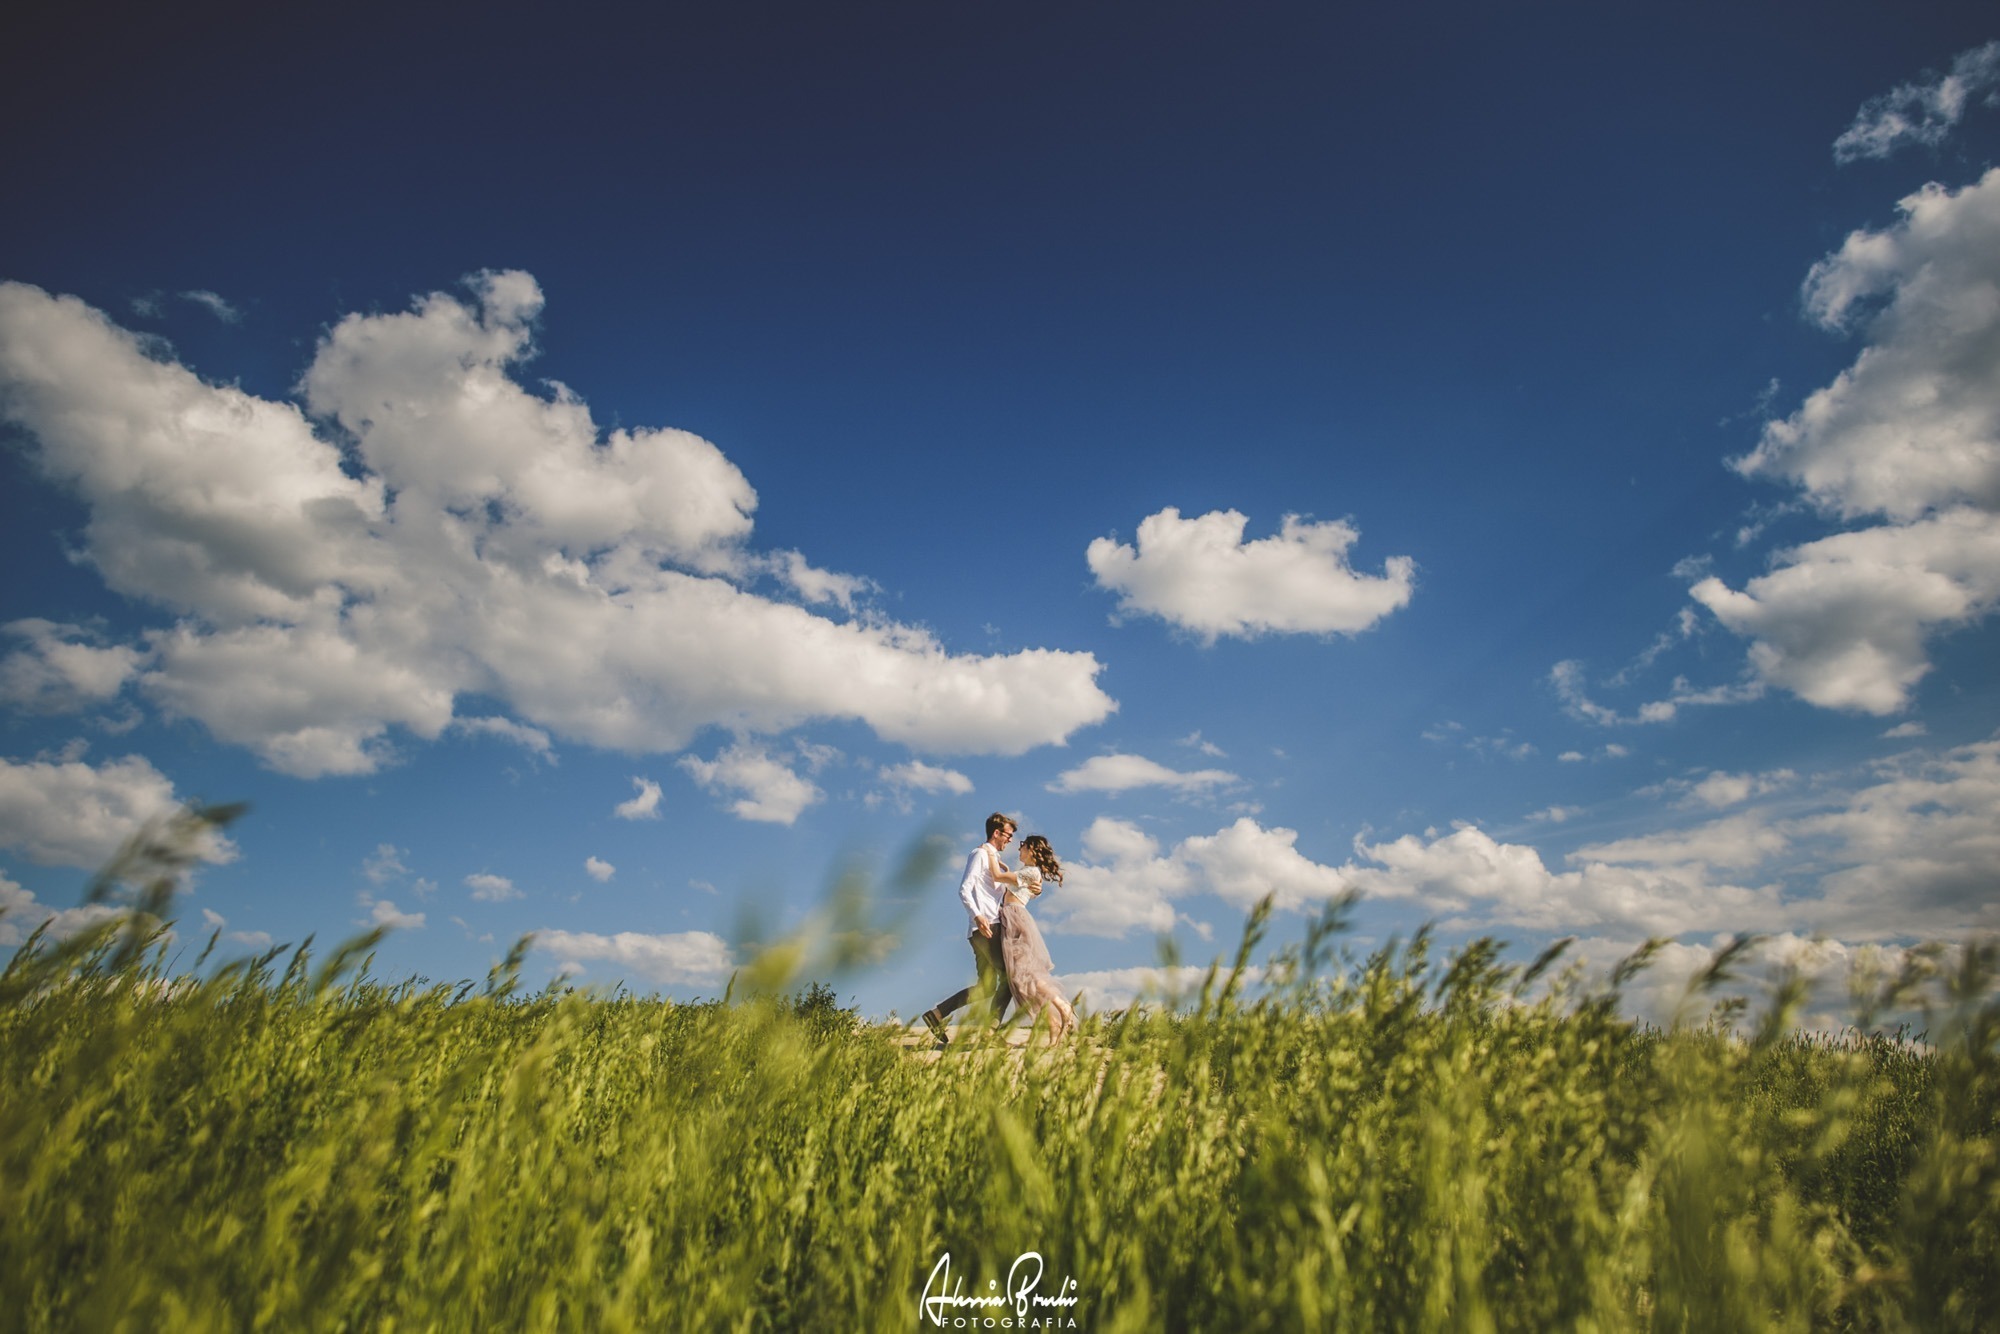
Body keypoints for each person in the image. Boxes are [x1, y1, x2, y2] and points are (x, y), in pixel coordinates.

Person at [921, 813, 1018, 1047]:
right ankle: (991, 1032)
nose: (1010, 840)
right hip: (987, 927)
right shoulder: (980, 854)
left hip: (981, 930)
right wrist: (977, 915)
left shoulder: (992, 859)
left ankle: (935, 1015)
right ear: (996, 833)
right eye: (1008, 835)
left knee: (985, 988)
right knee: (1009, 978)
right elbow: (964, 889)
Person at [999, 834, 1075, 1043]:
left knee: (1028, 974)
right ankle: (1054, 1028)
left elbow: (997, 876)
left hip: (1016, 919)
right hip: (1011, 918)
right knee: (1023, 980)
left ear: (1032, 849)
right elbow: (1006, 880)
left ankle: (1064, 1006)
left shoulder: (1031, 872)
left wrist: (987, 854)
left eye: (1022, 846)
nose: (1019, 849)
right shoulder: (1028, 872)